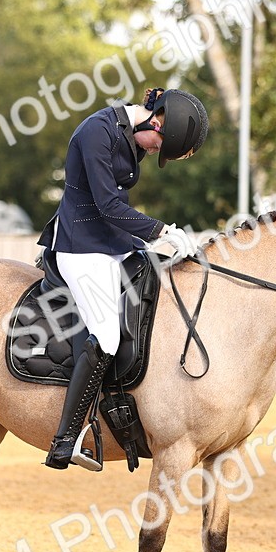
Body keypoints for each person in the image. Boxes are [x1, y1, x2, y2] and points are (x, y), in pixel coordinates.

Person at [36, 87, 208, 470]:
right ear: (156, 121)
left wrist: (164, 244)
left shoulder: (130, 133)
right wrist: (161, 231)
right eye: (155, 148)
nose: (150, 153)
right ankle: (65, 439)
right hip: (81, 245)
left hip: (113, 241)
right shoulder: (96, 132)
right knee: (107, 334)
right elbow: (108, 204)